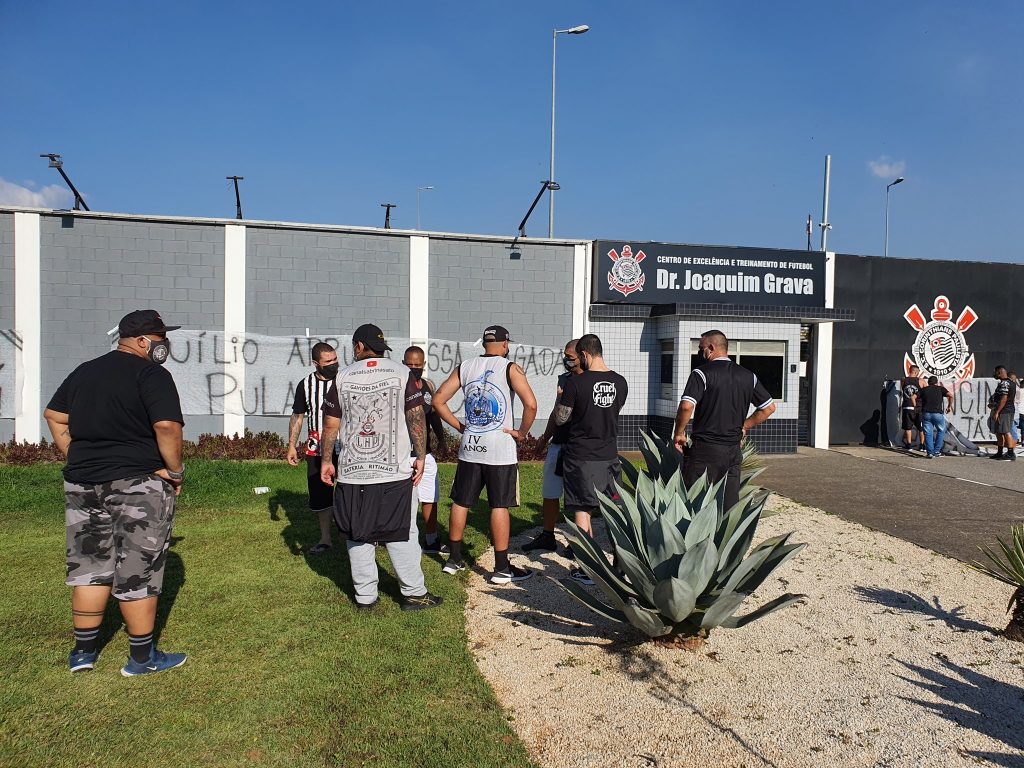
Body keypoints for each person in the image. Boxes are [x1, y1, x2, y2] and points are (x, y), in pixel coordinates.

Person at [43, 309, 187, 676]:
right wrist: (174, 471)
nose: (164, 345)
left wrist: (77, 455)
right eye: (160, 338)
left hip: (81, 482)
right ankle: (142, 658)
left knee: (89, 566)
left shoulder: (85, 370)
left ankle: (83, 653)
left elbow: (54, 416)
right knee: (138, 567)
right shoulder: (152, 374)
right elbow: (167, 425)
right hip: (137, 483)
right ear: (142, 341)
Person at [319, 324, 443, 611]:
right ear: (378, 347)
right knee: (402, 532)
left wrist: (327, 460)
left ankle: (365, 598)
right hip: (394, 471)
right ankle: (413, 593)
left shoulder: (341, 377)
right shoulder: (401, 373)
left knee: (357, 534)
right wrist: (421, 455)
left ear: (358, 347)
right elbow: (416, 416)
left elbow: (330, 424)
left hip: (353, 473)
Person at [431, 325, 538, 584]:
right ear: (504, 344)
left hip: (471, 446)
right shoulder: (510, 367)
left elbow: (438, 400)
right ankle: (501, 568)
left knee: (461, 502)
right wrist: (522, 432)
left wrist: (460, 427)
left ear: (484, 344)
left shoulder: (466, 366)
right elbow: (531, 404)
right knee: (499, 505)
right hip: (499, 449)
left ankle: (454, 559)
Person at [552, 334, 628, 585]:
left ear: (584, 354)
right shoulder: (621, 382)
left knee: (582, 511)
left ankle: (589, 570)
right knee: (613, 513)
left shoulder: (576, 384)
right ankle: (620, 567)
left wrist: (560, 397)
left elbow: (561, 419)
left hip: (580, 457)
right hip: (609, 456)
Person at [672, 330, 776, 510]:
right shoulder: (748, 376)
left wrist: (679, 433)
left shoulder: (701, 373)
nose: (700, 352)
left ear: (711, 348)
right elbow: (768, 408)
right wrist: (745, 426)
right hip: (732, 452)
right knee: (728, 506)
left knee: (694, 506)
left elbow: (686, 406)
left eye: (701, 348)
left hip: (704, 451)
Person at [522, 338, 581, 553]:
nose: (566, 360)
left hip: (579, 448)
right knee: (550, 492)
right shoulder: (564, 379)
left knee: (577, 498)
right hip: (559, 444)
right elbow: (557, 412)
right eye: (565, 356)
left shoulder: (592, 381)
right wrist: (544, 439)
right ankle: (547, 535)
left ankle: (579, 543)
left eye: (570, 357)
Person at [286, 342, 339, 554]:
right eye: (328, 362)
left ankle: (354, 533)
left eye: (335, 359)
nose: (333, 364)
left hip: (345, 445)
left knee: (351, 491)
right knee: (320, 493)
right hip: (317, 446)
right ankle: (326, 538)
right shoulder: (305, 385)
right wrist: (291, 445)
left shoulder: (345, 380)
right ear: (316, 363)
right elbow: (298, 416)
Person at [402, 345, 449, 554]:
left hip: (425, 452)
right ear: (403, 364)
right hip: (402, 454)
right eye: (410, 365)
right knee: (401, 500)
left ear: (424, 365)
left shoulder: (428, 386)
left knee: (430, 497)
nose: (414, 369)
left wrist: (442, 440)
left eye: (417, 365)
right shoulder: (397, 386)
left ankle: (431, 540)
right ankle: (400, 538)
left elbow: (434, 416)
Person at [988, 366, 1018, 462]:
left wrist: (997, 412)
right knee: (999, 431)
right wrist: (993, 405)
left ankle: (1010, 453)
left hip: (1004, 411)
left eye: (996, 372)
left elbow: (1004, 398)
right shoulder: (1007, 383)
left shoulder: (1005, 383)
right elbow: (1001, 397)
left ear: (1001, 372)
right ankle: (999, 452)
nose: (995, 374)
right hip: (1002, 410)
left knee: (1005, 431)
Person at [919, 375, 953, 459]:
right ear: (936, 382)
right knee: (941, 431)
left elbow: (914, 396)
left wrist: (915, 406)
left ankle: (930, 453)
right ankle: (936, 451)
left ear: (928, 382)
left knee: (928, 433)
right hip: (937, 414)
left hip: (926, 413)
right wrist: (949, 406)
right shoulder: (940, 389)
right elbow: (951, 395)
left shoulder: (924, 389)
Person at [902, 366, 925, 451]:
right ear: (915, 372)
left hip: (907, 406)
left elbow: (903, 389)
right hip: (918, 407)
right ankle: (922, 445)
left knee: (908, 427)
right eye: (918, 372)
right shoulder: (921, 381)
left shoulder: (903, 380)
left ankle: (909, 445)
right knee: (921, 428)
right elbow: (925, 392)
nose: (918, 373)